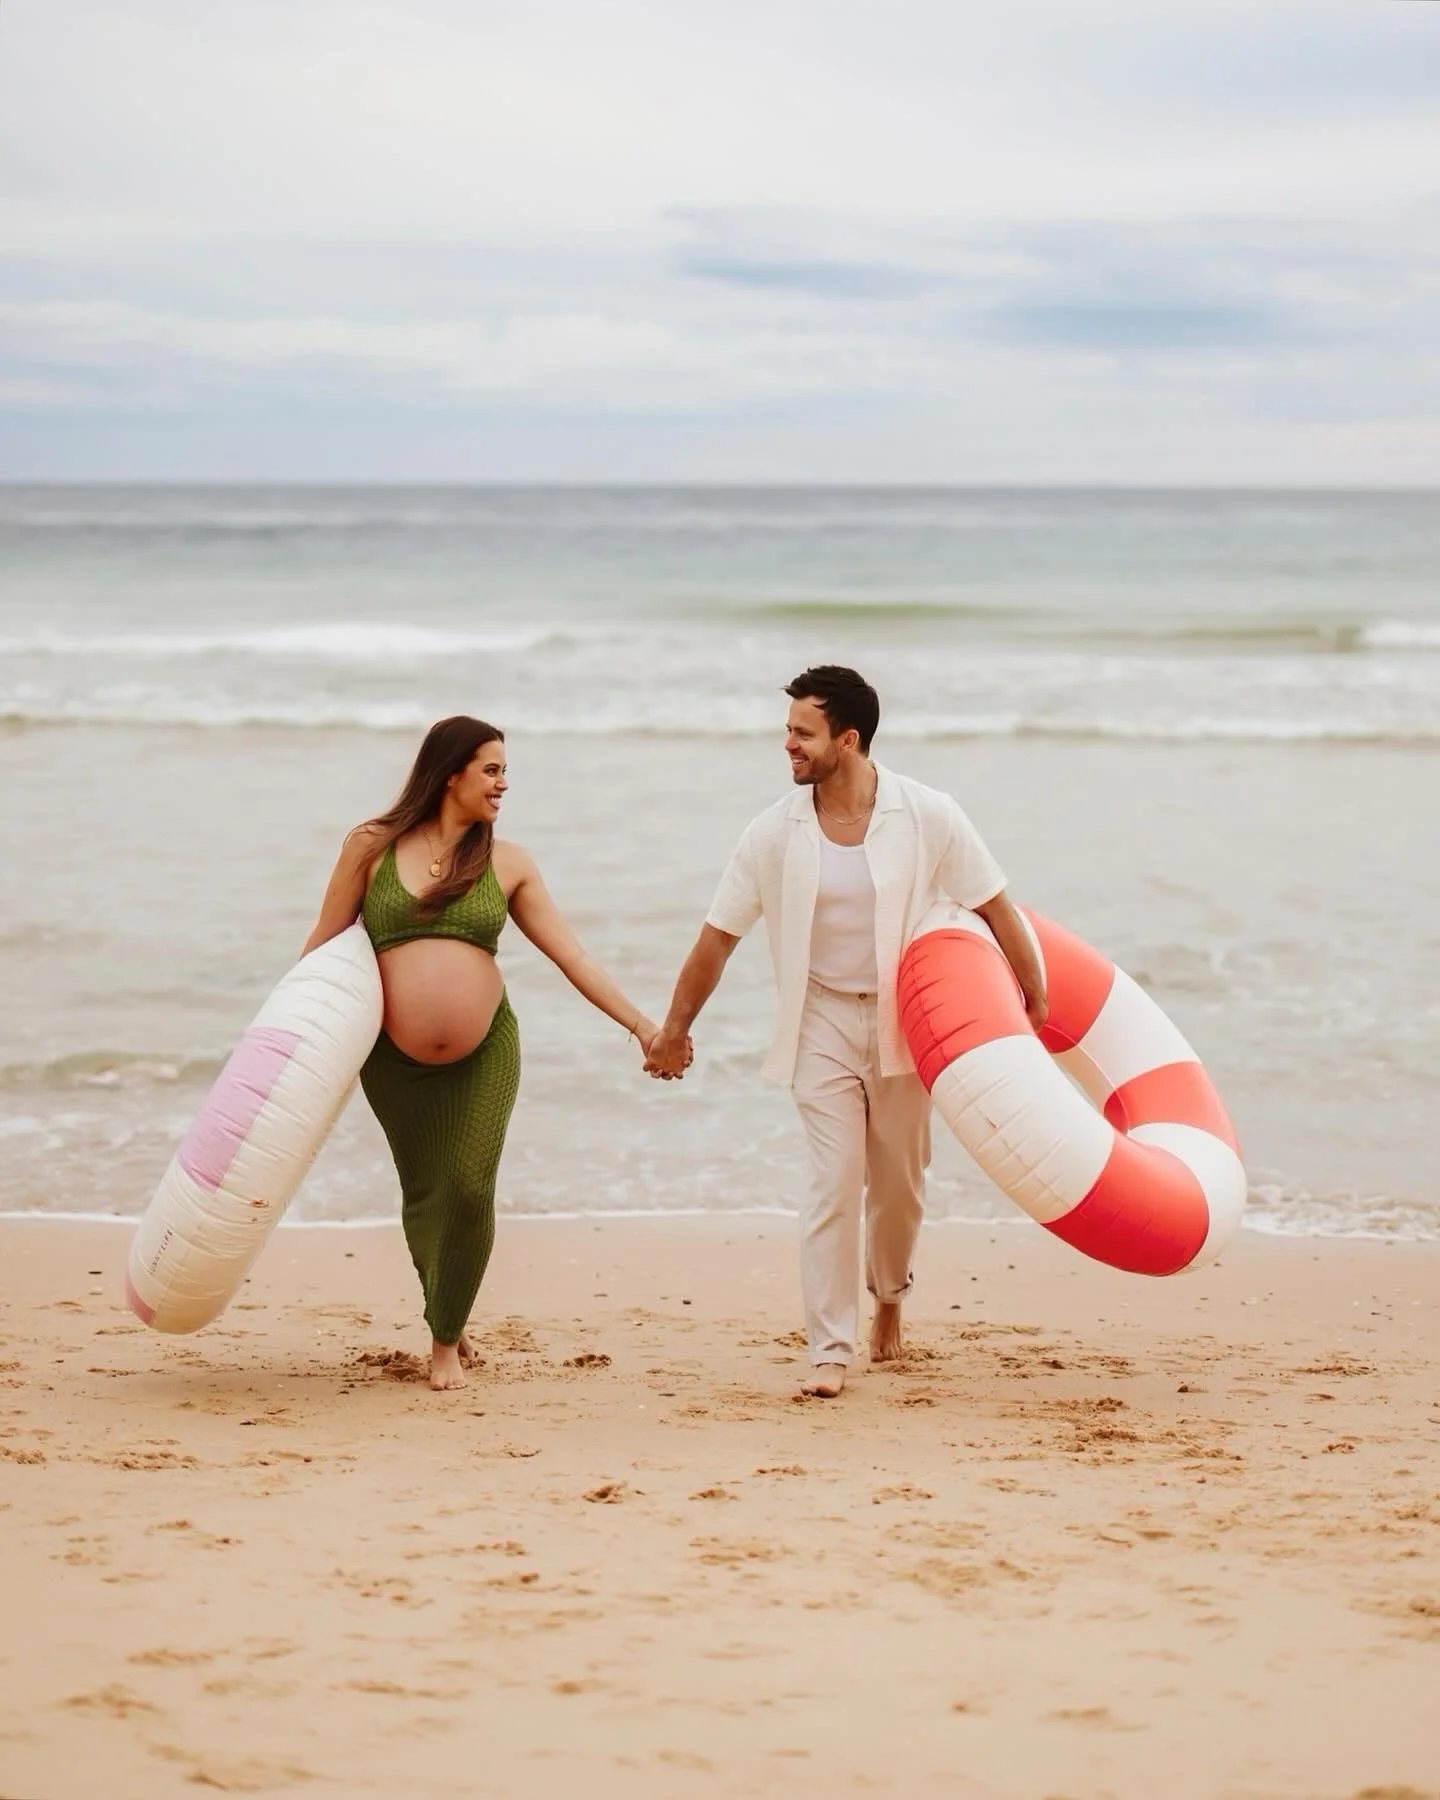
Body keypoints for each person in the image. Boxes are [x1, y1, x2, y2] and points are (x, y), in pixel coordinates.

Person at [645, 667, 1046, 1398]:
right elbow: (716, 941)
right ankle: (829, 1349)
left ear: (848, 740)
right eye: (789, 731)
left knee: (897, 1185)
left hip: (907, 1018)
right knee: (833, 1185)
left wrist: (1034, 1004)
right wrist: (674, 1030)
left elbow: (994, 906)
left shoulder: (928, 813)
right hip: (821, 1018)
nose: (788, 745)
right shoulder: (772, 833)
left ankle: (888, 1300)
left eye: (803, 733)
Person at [303, 715, 682, 1391]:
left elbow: (573, 956)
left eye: (505, 770)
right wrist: (283, 1049)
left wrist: (645, 1029)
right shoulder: (371, 846)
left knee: (470, 1188)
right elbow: (322, 944)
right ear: (451, 773)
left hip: (485, 1053)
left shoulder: (508, 863)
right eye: (493, 770)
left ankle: (443, 1341)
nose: (505, 783)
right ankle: (446, 1308)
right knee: (425, 1191)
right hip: (391, 1058)